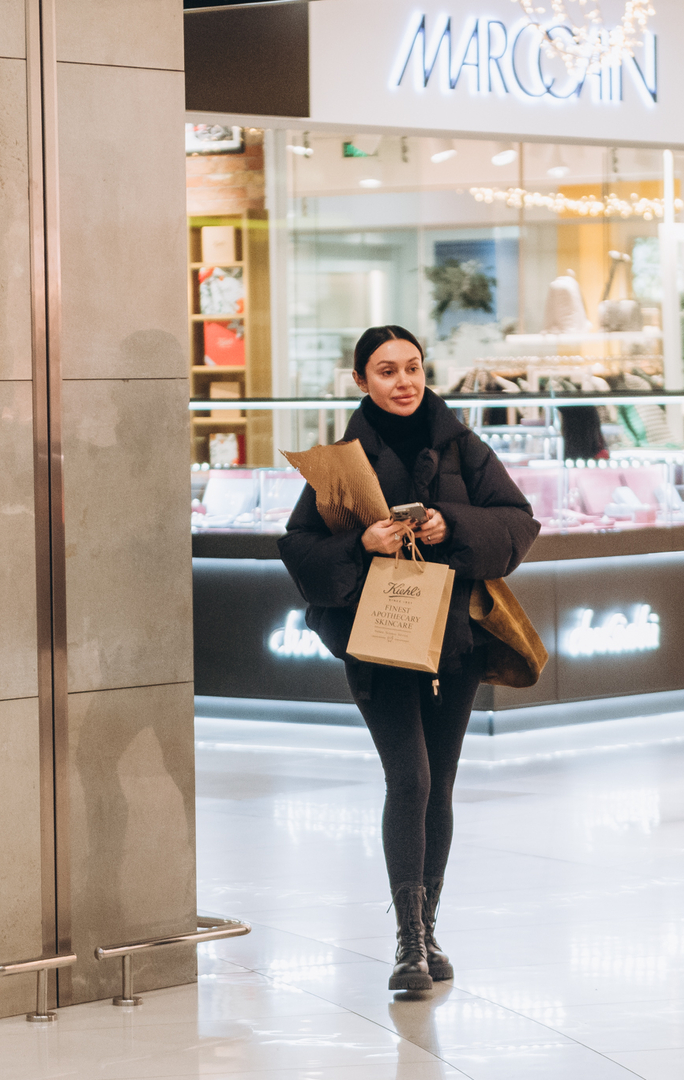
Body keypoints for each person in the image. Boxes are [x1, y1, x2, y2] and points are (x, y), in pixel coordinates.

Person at [278, 326, 539, 992]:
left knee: (440, 784)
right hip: (379, 637)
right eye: (387, 370)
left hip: (455, 639)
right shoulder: (340, 463)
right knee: (412, 780)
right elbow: (301, 549)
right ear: (361, 380)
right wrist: (364, 543)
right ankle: (407, 943)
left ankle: (427, 933)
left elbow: (517, 519)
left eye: (414, 368)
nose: (404, 382)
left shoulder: (461, 446)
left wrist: (452, 524)